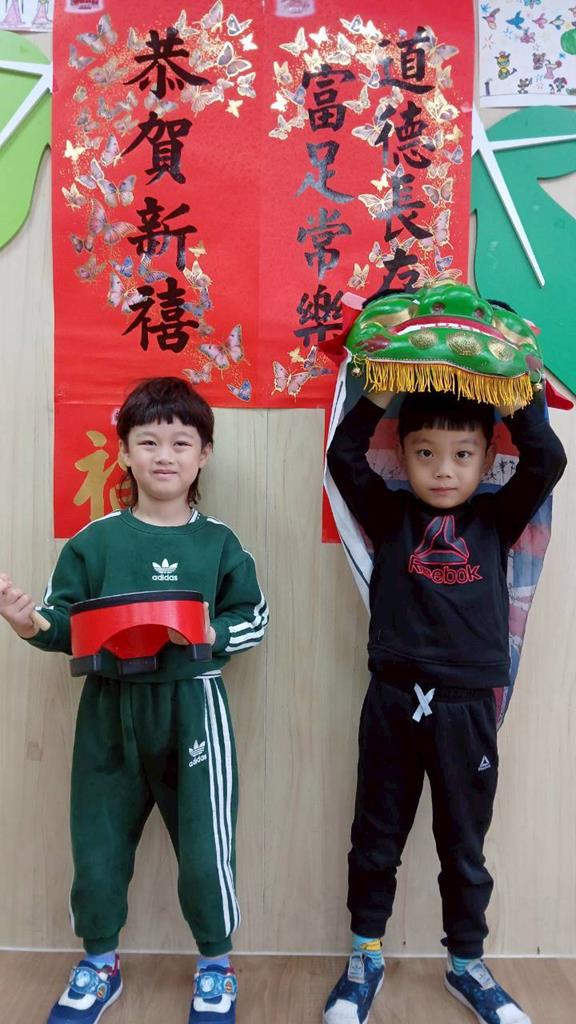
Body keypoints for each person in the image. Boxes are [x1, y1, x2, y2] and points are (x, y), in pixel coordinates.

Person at [0, 377, 268, 1024]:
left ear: (204, 454)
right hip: (109, 708)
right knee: (96, 848)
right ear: (123, 452)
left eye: (181, 442)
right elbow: (64, 625)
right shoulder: (95, 541)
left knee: (205, 852)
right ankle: (99, 962)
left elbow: (253, 620)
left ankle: (216, 967)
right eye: (147, 442)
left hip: (193, 708)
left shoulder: (220, 543)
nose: (164, 455)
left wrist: (210, 631)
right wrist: (26, 620)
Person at [323, 383, 566, 1024]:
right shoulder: (389, 514)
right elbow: (344, 455)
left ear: (487, 461)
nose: (443, 470)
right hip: (393, 699)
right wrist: (377, 396)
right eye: (425, 453)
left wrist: (515, 391)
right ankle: (364, 956)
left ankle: (466, 964)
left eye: (462, 455)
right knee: (375, 838)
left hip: (467, 707)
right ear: (402, 455)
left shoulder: (498, 519)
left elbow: (548, 459)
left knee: (464, 847)